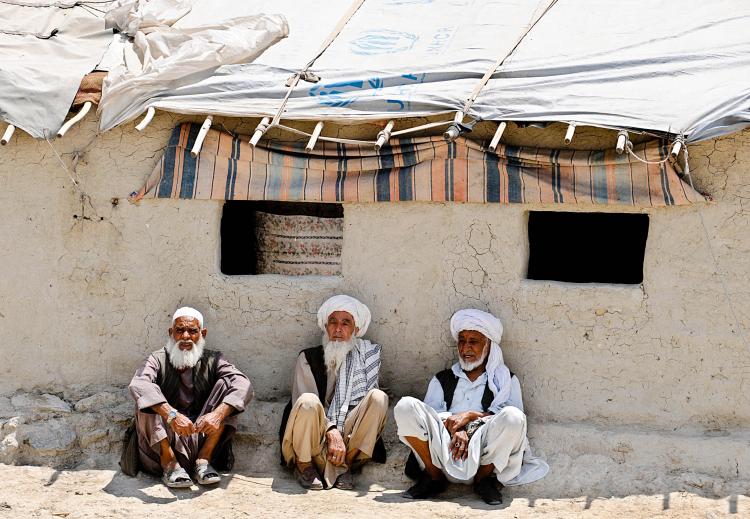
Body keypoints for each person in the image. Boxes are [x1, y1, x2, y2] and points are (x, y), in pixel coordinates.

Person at [394, 309, 549, 505]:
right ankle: (433, 478)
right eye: (462, 340)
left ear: (488, 346)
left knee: (514, 417)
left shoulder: (505, 380)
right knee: (405, 406)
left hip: (484, 455)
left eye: (473, 341)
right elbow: (432, 415)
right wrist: (457, 428)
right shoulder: (443, 379)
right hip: (443, 450)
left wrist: (469, 418)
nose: (466, 347)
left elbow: (514, 422)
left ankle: (483, 480)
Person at [128, 306, 253, 488]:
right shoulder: (157, 359)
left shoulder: (213, 360)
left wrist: (217, 415)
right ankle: (170, 464)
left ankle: (203, 461)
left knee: (228, 388)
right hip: (164, 440)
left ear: (202, 333)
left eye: (192, 331)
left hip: (203, 436)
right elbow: (139, 384)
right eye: (180, 330)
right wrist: (171, 415)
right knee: (146, 397)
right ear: (171, 333)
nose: (185, 336)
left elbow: (243, 384)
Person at [279, 295, 388, 490]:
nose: (338, 329)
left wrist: (341, 436)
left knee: (378, 398)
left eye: (346, 323)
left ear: (355, 329)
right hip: (314, 438)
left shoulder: (364, 357)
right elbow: (303, 405)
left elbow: (364, 408)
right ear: (326, 327)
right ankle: (304, 466)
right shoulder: (308, 358)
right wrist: (331, 431)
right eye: (333, 322)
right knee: (308, 401)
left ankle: (345, 464)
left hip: (348, 441)